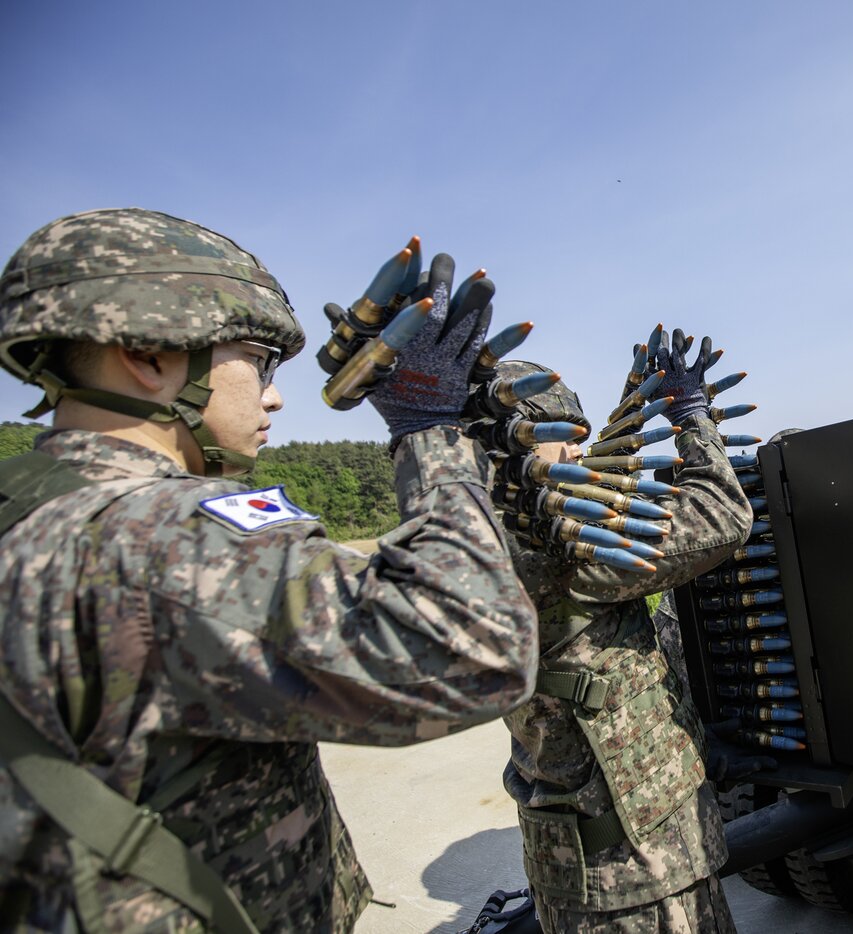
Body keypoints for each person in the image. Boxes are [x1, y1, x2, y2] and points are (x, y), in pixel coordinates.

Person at [0, 209, 539, 932]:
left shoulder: (27, 518)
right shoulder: (160, 534)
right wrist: (430, 430)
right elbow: (475, 648)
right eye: (257, 361)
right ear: (148, 353)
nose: (274, 395)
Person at [495, 339, 752, 934]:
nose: (581, 451)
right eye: (568, 436)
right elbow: (720, 517)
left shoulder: (483, 525)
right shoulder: (557, 538)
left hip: (578, 851)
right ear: (524, 441)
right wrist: (692, 417)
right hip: (634, 870)